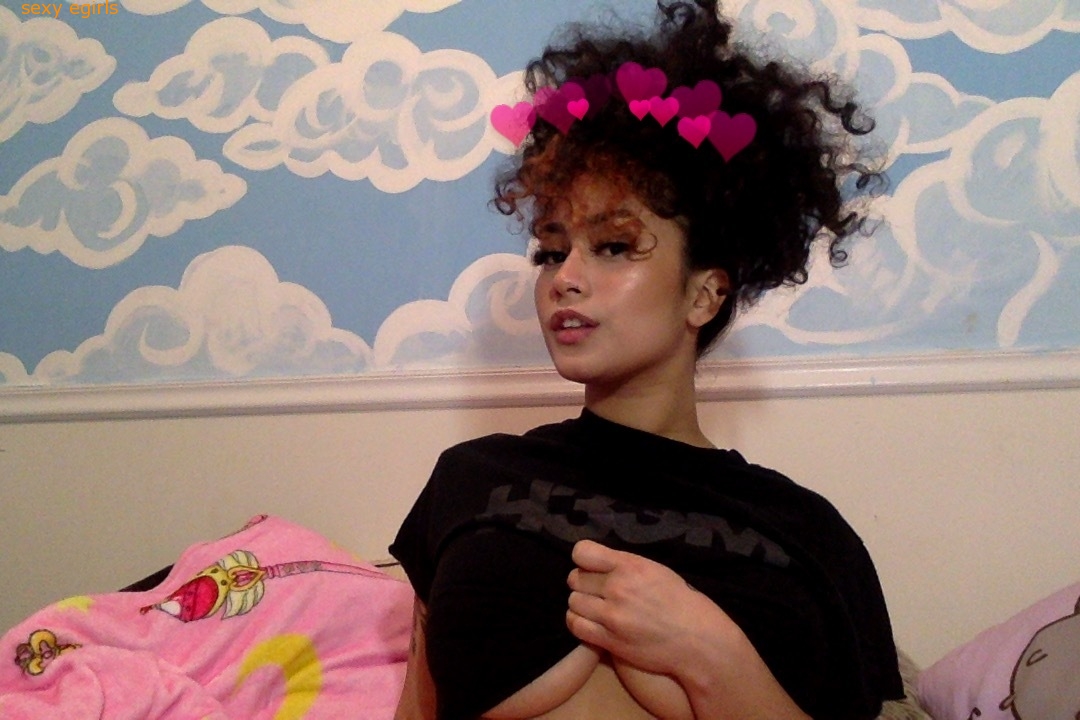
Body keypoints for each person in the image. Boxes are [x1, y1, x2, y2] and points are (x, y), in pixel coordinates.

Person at [389, 1, 904, 718]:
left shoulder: (809, 533)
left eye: (614, 246)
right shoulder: (474, 477)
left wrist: (712, 655)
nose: (565, 278)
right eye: (551, 251)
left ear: (703, 294)